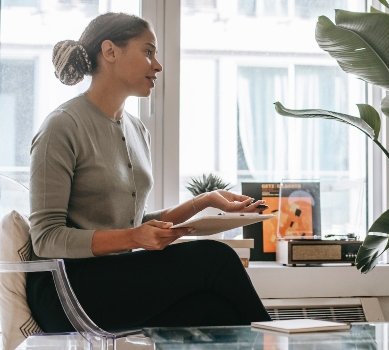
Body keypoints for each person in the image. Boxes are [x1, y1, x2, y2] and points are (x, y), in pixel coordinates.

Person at [27, 12, 272, 333]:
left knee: (212, 311)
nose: (157, 65)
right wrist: (132, 237)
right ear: (110, 52)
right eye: (148, 52)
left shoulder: (137, 129)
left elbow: (133, 223)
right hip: (66, 288)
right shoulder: (62, 126)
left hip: (114, 279)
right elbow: (46, 239)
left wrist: (205, 202)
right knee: (216, 259)